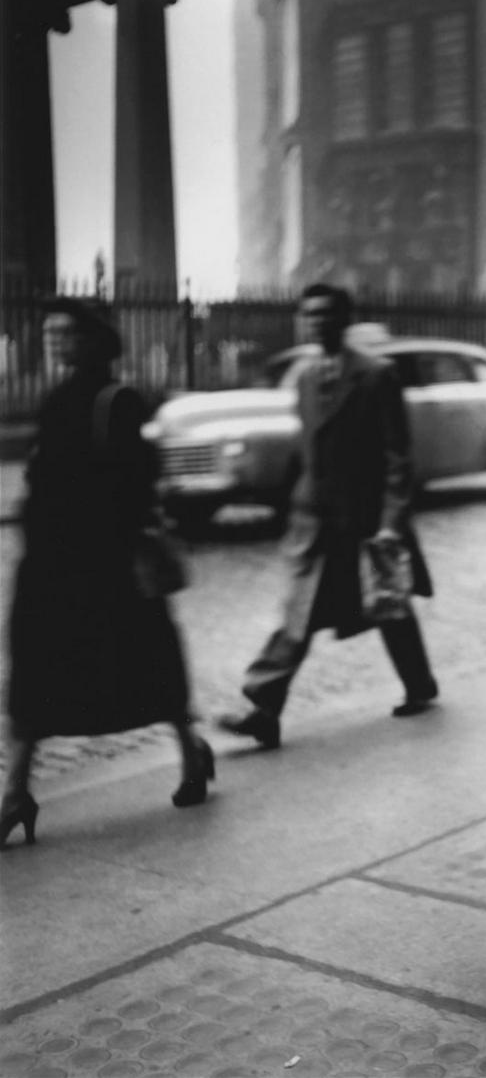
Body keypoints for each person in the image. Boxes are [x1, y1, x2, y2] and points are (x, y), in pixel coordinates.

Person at [1, 298, 214, 849]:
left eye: (66, 331)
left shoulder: (117, 400)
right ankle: (16, 792)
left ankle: (192, 753)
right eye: (50, 330)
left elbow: (135, 483)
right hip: (50, 564)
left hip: (105, 565)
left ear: (93, 340)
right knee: (34, 675)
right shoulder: (56, 398)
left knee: (149, 662)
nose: (54, 339)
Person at [219, 284, 438, 750]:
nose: (315, 322)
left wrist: (390, 522)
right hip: (313, 520)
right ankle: (263, 708)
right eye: (309, 315)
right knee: (298, 613)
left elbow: (398, 458)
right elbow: (308, 450)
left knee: (387, 603)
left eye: (324, 314)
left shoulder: (376, 375)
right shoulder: (303, 377)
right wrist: (290, 506)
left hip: (362, 519)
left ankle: (419, 685)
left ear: (345, 320)